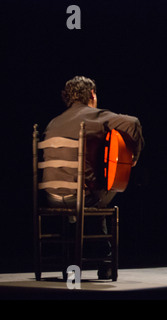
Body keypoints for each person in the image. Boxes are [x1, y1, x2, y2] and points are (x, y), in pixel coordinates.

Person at [42, 76, 145, 278]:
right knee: (107, 190)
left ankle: (72, 262)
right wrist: (133, 158)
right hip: (81, 196)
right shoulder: (94, 116)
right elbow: (133, 123)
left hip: (50, 197)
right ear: (92, 95)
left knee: (91, 190)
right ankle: (104, 260)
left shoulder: (53, 122)